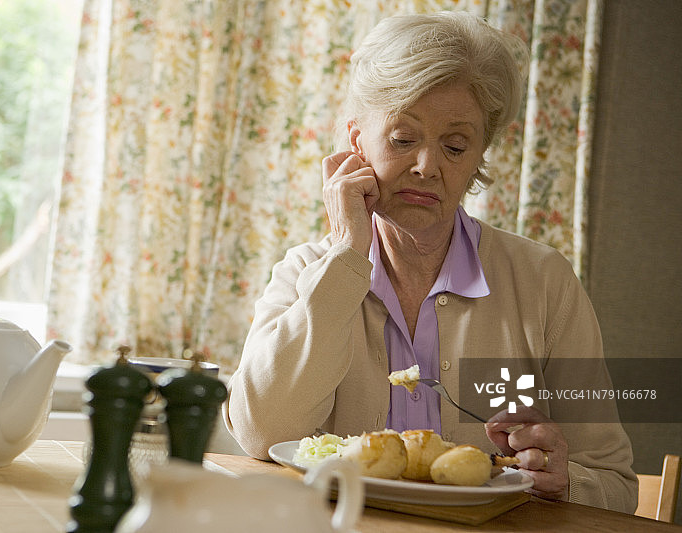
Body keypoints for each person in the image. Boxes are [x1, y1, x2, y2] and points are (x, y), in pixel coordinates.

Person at [222, 11, 637, 512]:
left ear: (480, 152)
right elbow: (261, 434)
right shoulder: (308, 270)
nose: (426, 166)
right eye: (403, 139)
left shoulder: (543, 281)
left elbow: (616, 487)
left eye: (456, 145)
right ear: (357, 141)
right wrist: (347, 253)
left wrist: (564, 479)